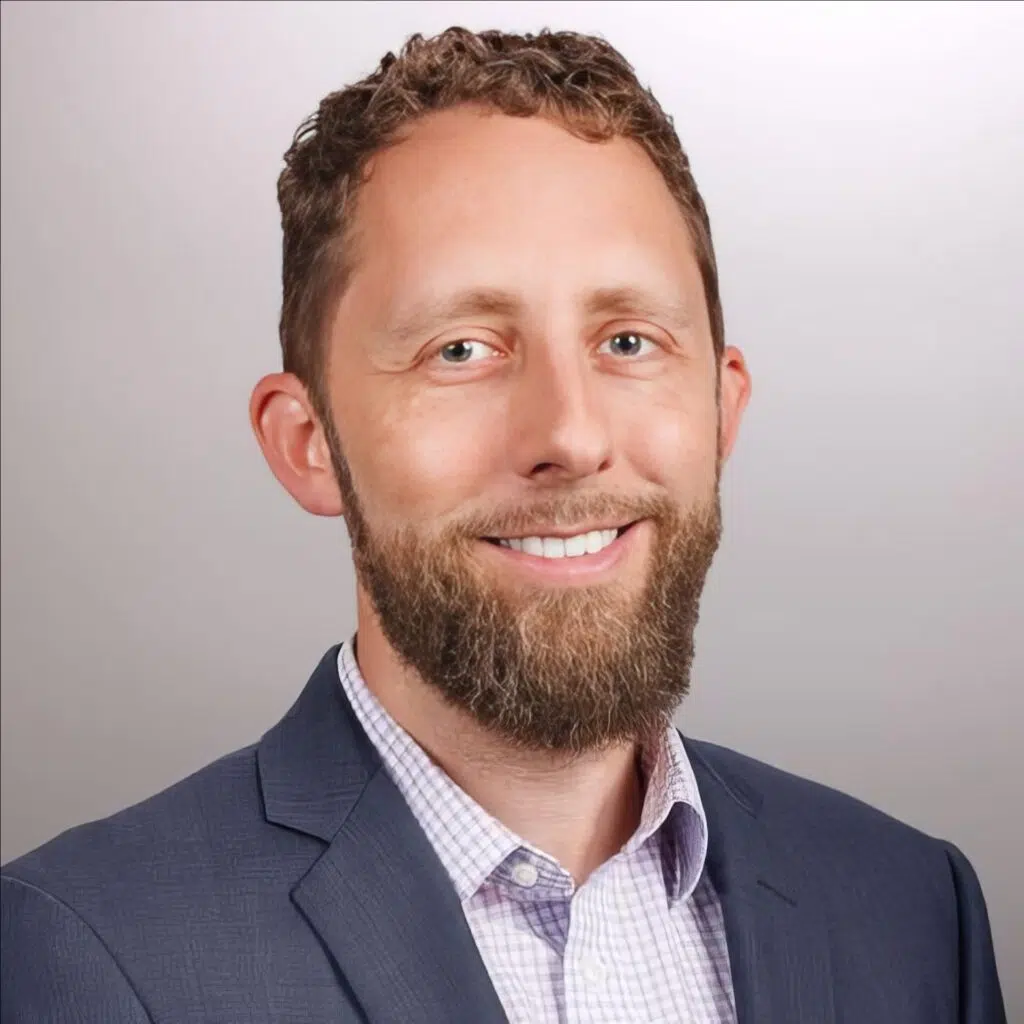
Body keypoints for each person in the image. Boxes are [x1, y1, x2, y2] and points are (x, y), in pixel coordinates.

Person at [0, 26, 1006, 1024]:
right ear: (308, 443)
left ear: (720, 407)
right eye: (461, 350)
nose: (569, 435)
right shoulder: (88, 954)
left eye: (627, 340)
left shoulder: (913, 909)